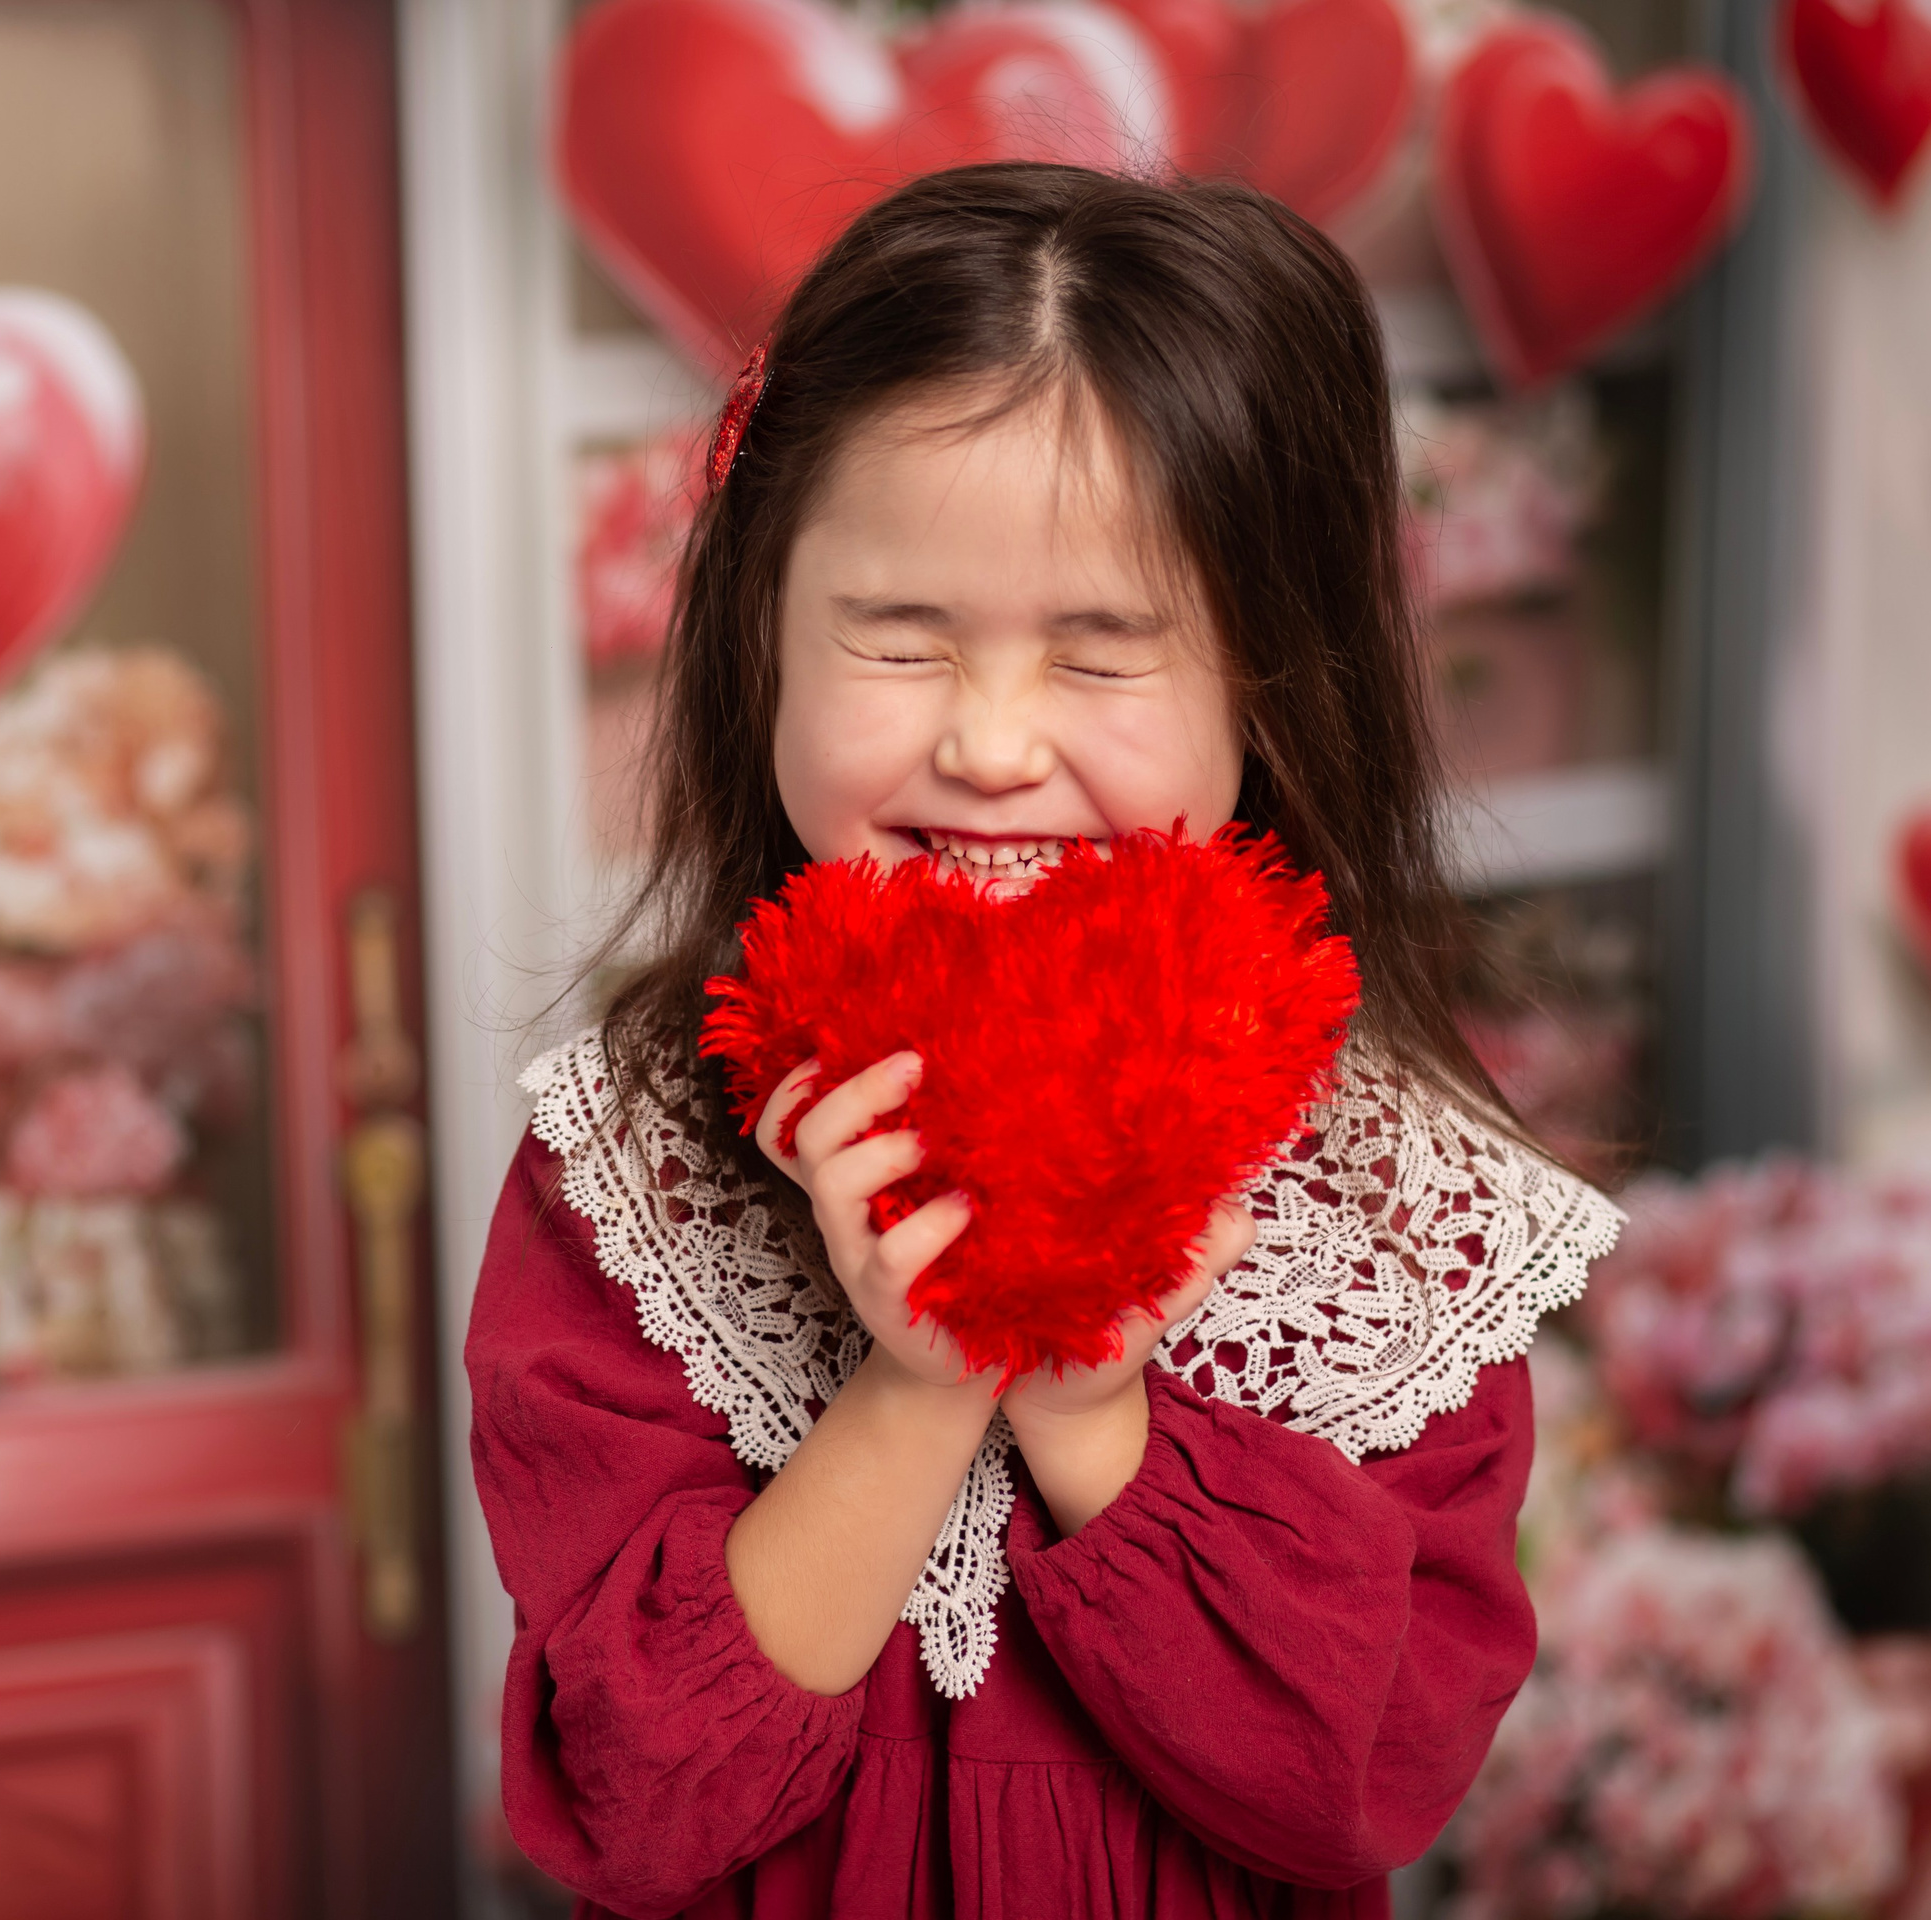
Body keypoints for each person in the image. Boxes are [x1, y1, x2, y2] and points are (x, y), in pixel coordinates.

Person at [468, 163, 1621, 1919]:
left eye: (1102, 657)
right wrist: (923, 1378)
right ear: (760, 641)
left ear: (1271, 681)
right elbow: (635, 1805)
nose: (995, 746)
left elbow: (1364, 1783)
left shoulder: (1395, 1197)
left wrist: (1092, 1410)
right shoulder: (632, 1167)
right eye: (902, 639)